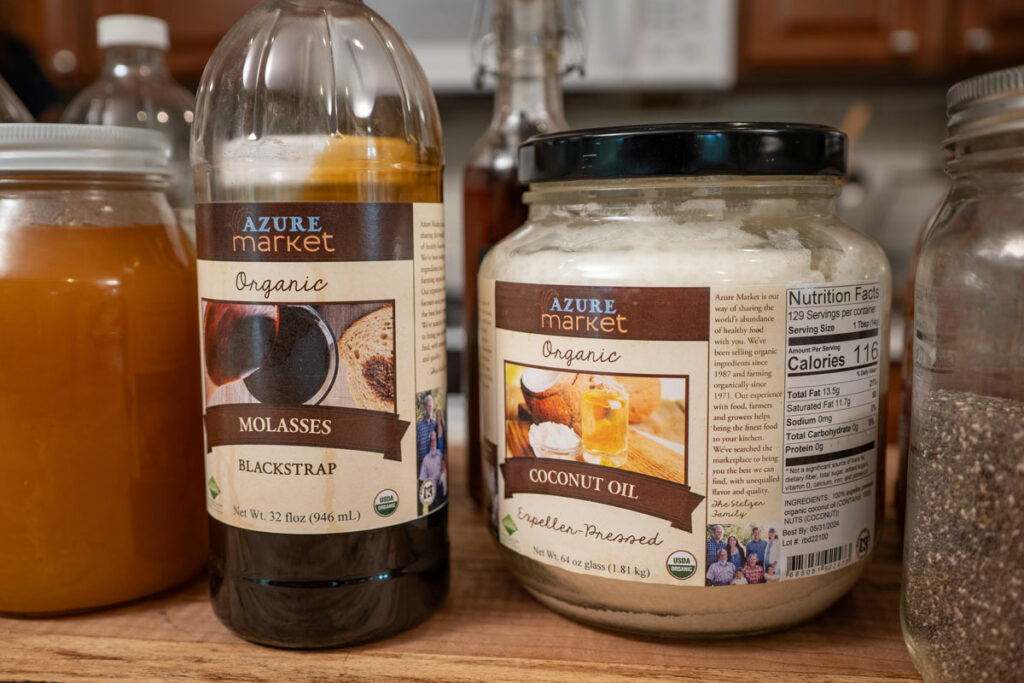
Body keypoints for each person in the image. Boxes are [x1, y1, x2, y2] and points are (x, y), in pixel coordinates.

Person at [418, 430, 446, 511]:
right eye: (431, 440)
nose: (433, 442)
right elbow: (422, 479)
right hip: (432, 491)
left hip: (441, 489)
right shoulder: (426, 459)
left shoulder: (440, 454)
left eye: (434, 440)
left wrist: (443, 474)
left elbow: (444, 463)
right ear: (429, 442)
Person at [416, 394, 436, 458]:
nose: (429, 408)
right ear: (425, 408)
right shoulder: (419, 425)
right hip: (421, 461)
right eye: (428, 406)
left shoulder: (435, 424)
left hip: (432, 461)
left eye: (431, 406)